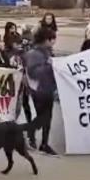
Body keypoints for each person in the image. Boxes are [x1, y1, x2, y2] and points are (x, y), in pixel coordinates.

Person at [23, 27, 58, 155]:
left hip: (48, 88)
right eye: (52, 39)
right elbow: (33, 73)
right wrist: (49, 66)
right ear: (45, 40)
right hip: (38, 90)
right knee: (43, 117)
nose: (54, 41)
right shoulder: (34, 54)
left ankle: (44, 143)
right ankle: (30, 132)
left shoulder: (47, 52)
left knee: (47, 117)